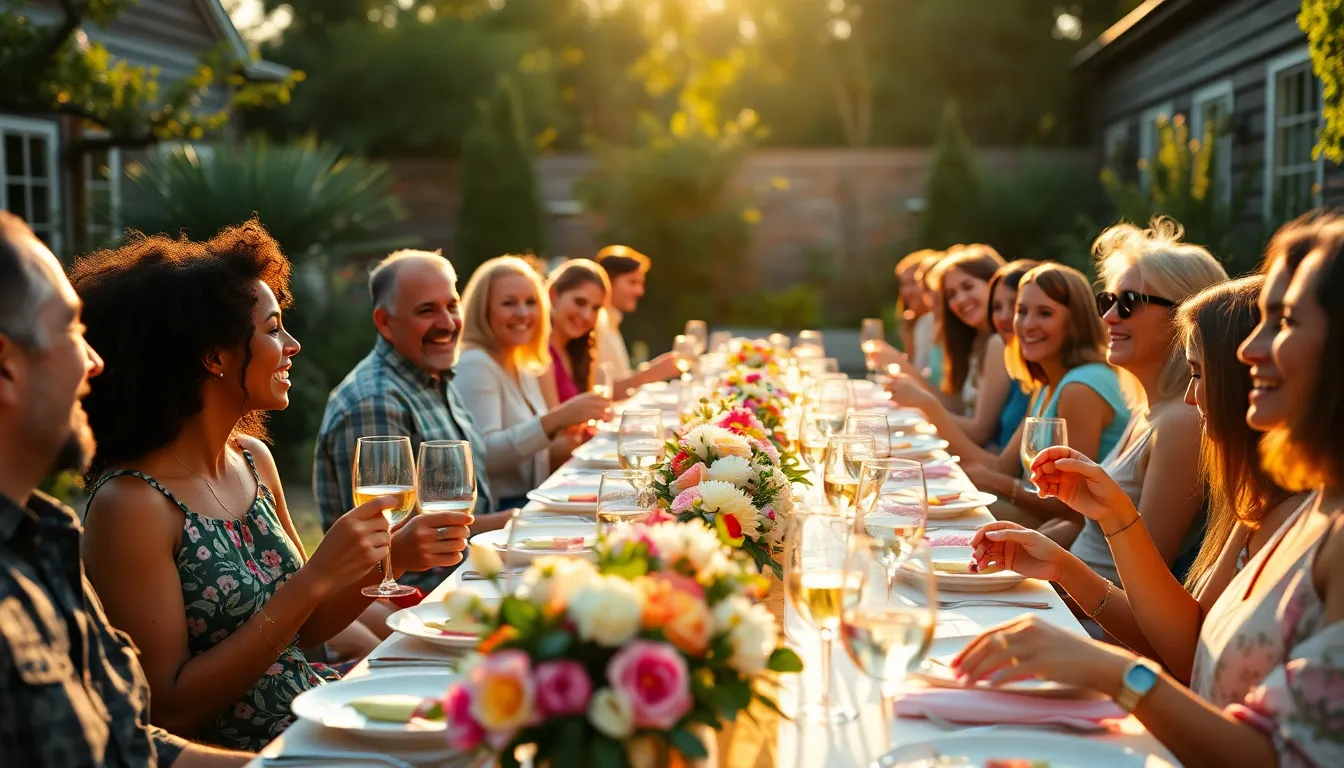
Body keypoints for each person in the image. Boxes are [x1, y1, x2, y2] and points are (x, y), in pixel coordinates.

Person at [953, 213, 1344, 768]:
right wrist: (1073, 558)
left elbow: (1280, 754)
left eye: (1283, 322)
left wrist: (1118, 675)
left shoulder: (1318, 522)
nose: (1254, 349)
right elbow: (1192, 648)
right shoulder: (1276, 508)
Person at [72, 225, 470, 751]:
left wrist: (390, 553)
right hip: (259, 752)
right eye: (273, 329)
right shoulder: (132, 504)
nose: (292, 345)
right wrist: (316, 577)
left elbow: (303, 633)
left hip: (318, 710)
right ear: (214, 358)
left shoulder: (253, 460)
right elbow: (169, 706)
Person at [0, 211, 252, 765]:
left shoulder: (45, 541)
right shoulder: (121, 507)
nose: (95, 363)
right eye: (71, 329)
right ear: (6, 365)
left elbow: (132, 743)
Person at [965, 273, 1304, 683]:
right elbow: (1188, 644)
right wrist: (1063, 565)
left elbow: (1191, 665)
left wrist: (1113, 675)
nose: (1190, 396)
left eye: (1198, 374)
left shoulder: (1298, 513)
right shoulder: (1255, 503)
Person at [314, 249, 511, 590]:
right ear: (385, 323)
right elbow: (377, 553)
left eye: (451, 306)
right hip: (421, 602)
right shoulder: (376, 402)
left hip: (471, 576)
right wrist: (510, 524)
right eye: (426, 310)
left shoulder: (433, 375)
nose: (448, 323)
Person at [892, 263, 1131, 528]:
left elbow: (1072, 510)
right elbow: (1003, 465)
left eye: (1045, 313)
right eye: (1022, 311)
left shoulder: (1081, 388)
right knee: (916, 501)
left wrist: (995, 482)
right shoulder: (1046, 382)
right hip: (1047, 520)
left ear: (1075, 321)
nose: (1027, 325)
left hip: (1071, 532)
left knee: (924, 513)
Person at [455, 257, 611, 508]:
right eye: (509, 303)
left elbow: (528, 450)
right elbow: (483, 455)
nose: (523, 313)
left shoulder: (522, 361)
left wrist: (571, 435)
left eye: (531, 302)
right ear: (482, 310)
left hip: (532, 496)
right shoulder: (476, 363)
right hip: (498, 509)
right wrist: (558, 419)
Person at [592, 245, 681, 396]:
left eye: (640, 283)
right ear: (607, 282)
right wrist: (649, 374)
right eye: (632, 282)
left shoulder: (610, 321)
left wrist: (651, 371)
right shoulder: (595, 325)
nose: (640, 291)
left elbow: (619, 380)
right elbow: (601, 392)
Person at [542, 258, 611, 405]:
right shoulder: (540, 353)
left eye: (595, 308)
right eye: (580, 302)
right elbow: (552, 423)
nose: (587, 316)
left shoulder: (579, 352)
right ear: (553, 296)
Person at [987, 260, 1039, 450]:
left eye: (1017, 308)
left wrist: (928, 405)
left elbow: (1007, 468)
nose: (1004, 317)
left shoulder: (1057, 377)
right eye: (996, 307)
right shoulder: (1023, 369)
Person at [894, 248, 940, 372]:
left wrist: (895, 361)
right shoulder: (921, 323)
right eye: (904, 284)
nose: (906, 292)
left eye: (913, 283)